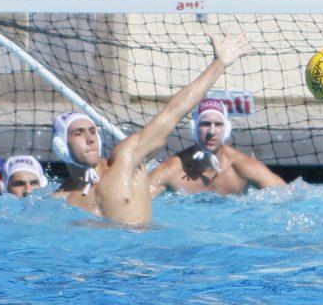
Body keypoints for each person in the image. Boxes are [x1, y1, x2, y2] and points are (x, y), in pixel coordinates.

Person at [51, 33, 251, 225]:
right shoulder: (58, 200)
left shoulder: (126, 160)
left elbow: (173, 111)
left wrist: (219, 63)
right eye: (79, 133)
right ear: (61, 146)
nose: (90, 138)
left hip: (145, 254)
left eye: (93, 131)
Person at [148, 98, 285, 196]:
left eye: (218, 124)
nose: (212, 132)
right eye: (205, 124)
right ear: (194, 128)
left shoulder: (243, 168)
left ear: (226, 129)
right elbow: (133, 199)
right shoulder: (173, 170)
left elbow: (289, 197)